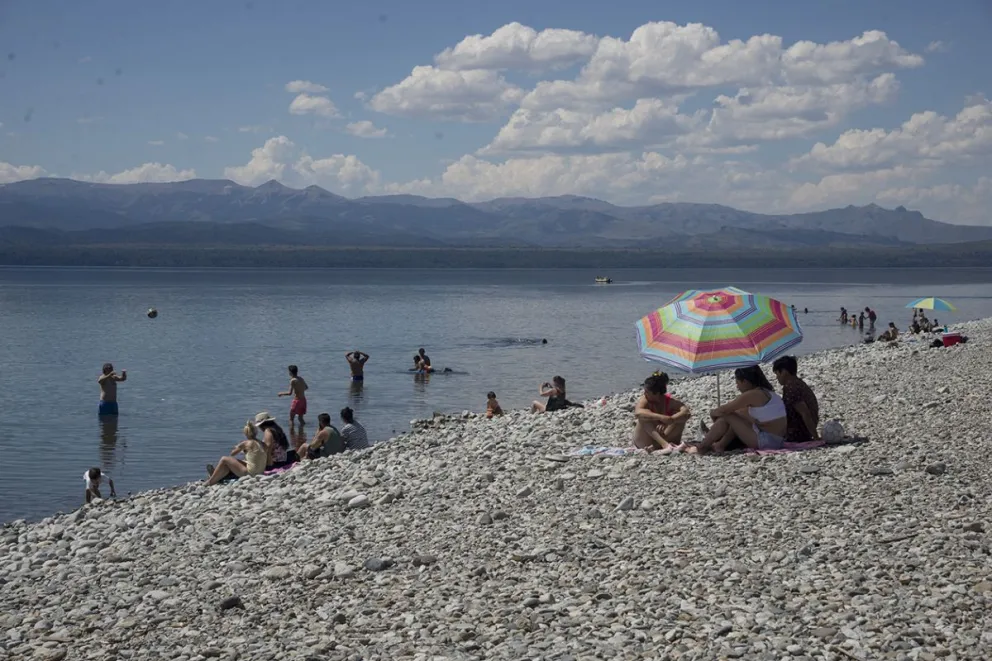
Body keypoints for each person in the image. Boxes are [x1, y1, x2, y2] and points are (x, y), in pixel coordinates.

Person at [694, 366, 787, 454]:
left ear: (745, 381)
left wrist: (712, 414)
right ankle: (719, 445)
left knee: (727, 415)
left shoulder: (753, 394)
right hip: (777, 440)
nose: (737, 387)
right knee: (737, 416)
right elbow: (740, 414)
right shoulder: (767, 393)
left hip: (766, 441)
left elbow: (723, 410)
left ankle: (703, 446)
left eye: (737, 382)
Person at [632, 373, 691, 453]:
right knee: (643, 417)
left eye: (647, 392)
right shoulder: (645, 400)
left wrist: (671, 419)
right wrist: (661, 417)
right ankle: (665, 445)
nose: (644, 394)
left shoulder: (669, 401)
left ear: (657, 394)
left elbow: (686, 412)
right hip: (645, 441)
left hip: (664, 437)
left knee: (680, 417)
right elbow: (638, 413)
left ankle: (658, 446)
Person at [772, 356, 820, 443]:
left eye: (777, 374)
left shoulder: (791, 387)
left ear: (784, 372)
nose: (777, 378)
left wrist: (815, 437)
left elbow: (805, 413)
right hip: (803, 431)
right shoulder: (799, 383)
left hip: (798, 434)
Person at [204, 421, 269, 486]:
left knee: (224, 459)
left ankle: (210, 481)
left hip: (251, 474)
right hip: (260, 472)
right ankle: (218, 477)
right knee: (230, 464)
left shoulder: (246, 443)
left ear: (246, 434)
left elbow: (232, 454)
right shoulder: (263, 444)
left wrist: (239, 447)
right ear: (256, 433)